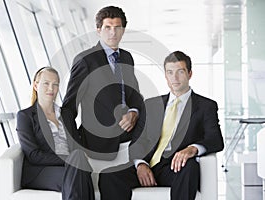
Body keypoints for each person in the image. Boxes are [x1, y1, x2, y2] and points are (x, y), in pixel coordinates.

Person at [99, 51, 224, 200]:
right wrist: (140, 164)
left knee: (190, 168)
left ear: (190, 74)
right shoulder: (151, 105)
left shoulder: (205, 106)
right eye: (170, 72)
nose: (175, 78)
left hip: (176, 168)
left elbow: (215, 139)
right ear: (165, 76)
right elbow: (138, 141)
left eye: (180, 72)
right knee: (109, 176)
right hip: (149, 164)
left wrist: (192, 149)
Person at [61, 6, 143, 160]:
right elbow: (69, 107)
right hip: (99, 141)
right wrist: (74, 146)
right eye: (107, 27)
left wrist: (134, 112)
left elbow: (135, 96)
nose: (113, 32)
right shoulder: (85, 60)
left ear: (123, 30)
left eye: (117, 27)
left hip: (129, 132)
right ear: (98, 30)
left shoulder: (127, 58)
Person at [16, 67, 94, 200]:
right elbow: (33, 155)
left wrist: (74, 159)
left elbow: (76, 145)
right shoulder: (25, 116)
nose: (51, 88)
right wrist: (69, 159)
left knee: (78, 166)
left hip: (72, 166)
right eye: (46, 83)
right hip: (41, 170)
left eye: (55, 84)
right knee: (79, 172)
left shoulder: (66, 115)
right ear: (36, 85)